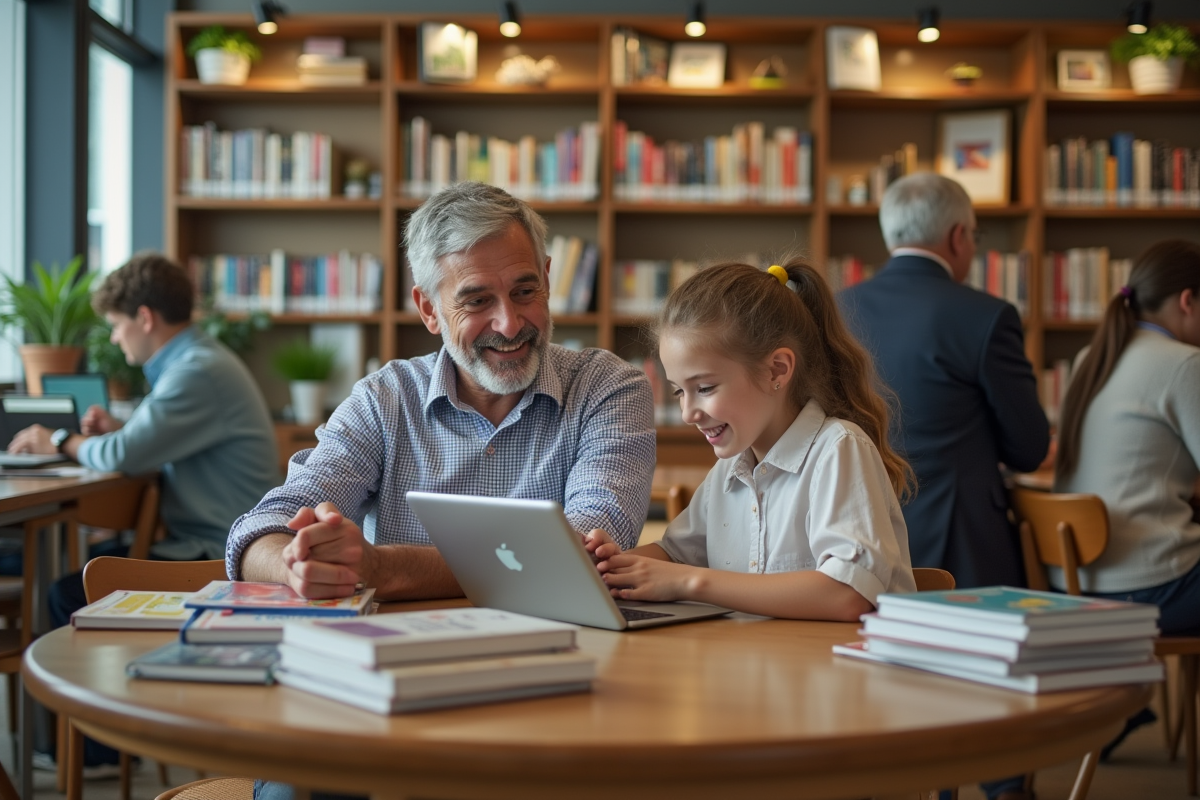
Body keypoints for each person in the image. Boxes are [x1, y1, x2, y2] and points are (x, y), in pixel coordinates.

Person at [227, 181, 655, 603]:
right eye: (477, 301)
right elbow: (262, 528)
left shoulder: (608, 389)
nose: (509, 324)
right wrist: (295, 565)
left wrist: (386, 569)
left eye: (524, 292)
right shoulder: (384, 400)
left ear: (546, 278)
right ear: (429, 310)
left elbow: (584, 553)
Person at [8, 251, 279, 774]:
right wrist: (119, 428)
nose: (115, 338)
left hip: (219, 553)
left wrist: (58, 440)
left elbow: (120, 455)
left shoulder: (196, 372)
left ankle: (98, 752)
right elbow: (139, 439)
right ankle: (99, 746)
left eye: (117, 325)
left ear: (145, 318)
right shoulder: (197, 361)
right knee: (79, 576)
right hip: (217, 539)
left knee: (69, 592)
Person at [587, 260, 916, 618]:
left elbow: (849, 594)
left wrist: (690, 582)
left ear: (777, 370)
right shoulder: (729, 471)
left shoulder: (839, 450)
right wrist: (604, 567)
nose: (687, 414)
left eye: (705, 388)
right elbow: (675, 555)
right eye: (680, 391)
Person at [838, 173, 1050, 590]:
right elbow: (1029, 449)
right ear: (958, 237)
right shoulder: (987, 316)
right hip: (961, 551)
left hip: (854, 540)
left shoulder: (835, 308)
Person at [1055, 240, 1200, 625]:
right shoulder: (1185, 363)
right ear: (1188, 301)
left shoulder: (1090, 357)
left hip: (1072, 581)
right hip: (1148, 583)